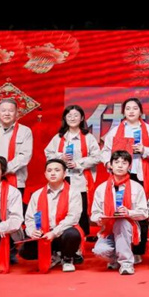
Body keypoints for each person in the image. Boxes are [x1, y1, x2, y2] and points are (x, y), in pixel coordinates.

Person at [101, 97, 149, 264]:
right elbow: (105, 151)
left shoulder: (148, 130)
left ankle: (137, 250)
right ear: (123, 112)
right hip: (120, 175)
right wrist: (108, 163)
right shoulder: (115, 131)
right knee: (119, 210)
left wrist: (144, 149)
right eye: (128, 108)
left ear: (140, 111)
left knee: (140, 211)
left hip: (140, 174)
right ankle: (118, 249)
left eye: (135, 108)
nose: (131, 111)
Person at [44, 104, 101, 251]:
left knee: (80, 211)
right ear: (65, 118)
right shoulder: (59, 137)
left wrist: (78, 163)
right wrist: (60, 157)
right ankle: (61, 242)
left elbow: (97, 157)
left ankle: (79, 244)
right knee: (62, 209)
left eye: (76, 115)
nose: (72, 118)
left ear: (82, 118)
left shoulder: (88, 137)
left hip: (80, 179)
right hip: (62, 179)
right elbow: (48, 153)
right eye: (69, 116)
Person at [91, 150, 149, 275]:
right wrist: (100, 218)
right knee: (100, 250)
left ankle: (126, 263)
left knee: (121, 222)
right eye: (116, 162)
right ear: (111, 165)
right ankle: (118, 258)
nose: (120, 165)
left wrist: (129, 212)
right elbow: (94, 213)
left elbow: (144, 213)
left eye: (124, 163)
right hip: (108, 229)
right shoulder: (101, 188)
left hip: (129, 228)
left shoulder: (137, 187)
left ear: (129, 167)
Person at [20, 159, 83, 273]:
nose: (53, 173)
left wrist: (54, 233)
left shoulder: (73, 193)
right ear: (45, 174)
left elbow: (72, 218)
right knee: (25, 251)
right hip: (44, 233)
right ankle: (54, 255)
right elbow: (29, 218)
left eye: (57, 170)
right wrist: (32, 231)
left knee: (72, 234)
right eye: (49, 171)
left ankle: (67, 258)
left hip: (62, 232)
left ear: (64, 174)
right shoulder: (37, 194)